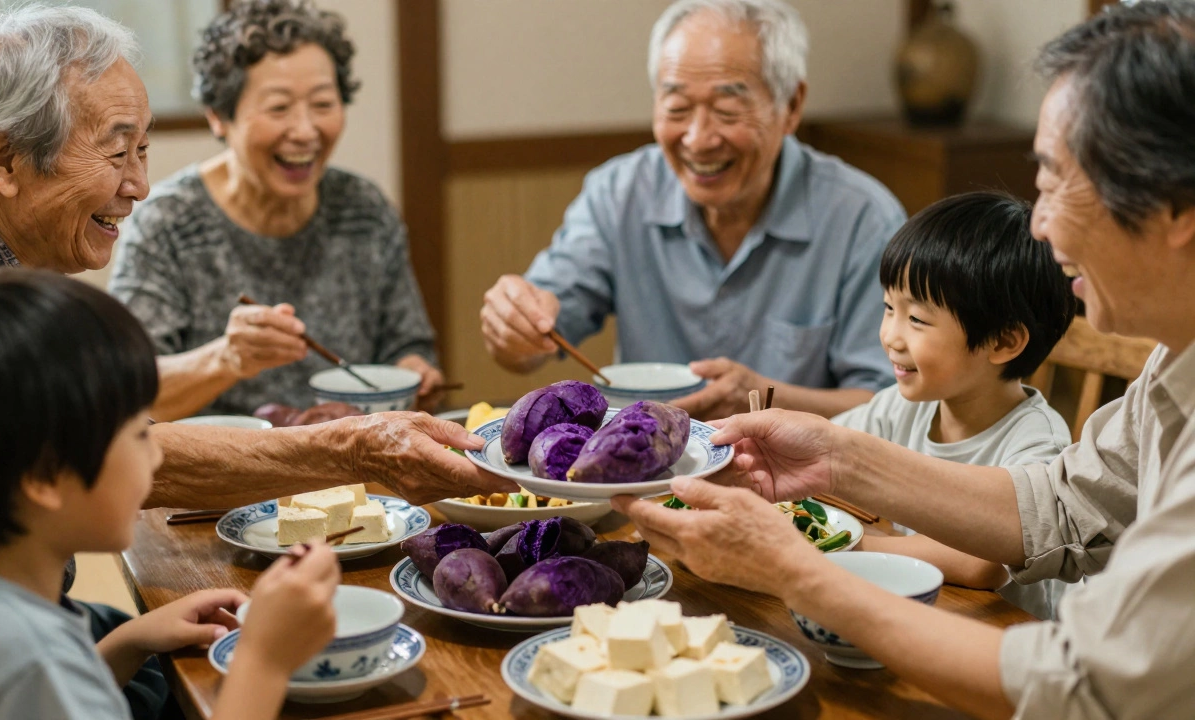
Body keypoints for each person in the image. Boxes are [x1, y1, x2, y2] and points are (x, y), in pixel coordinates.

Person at [615, 2, 1195, 717]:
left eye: (1053, 183)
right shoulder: (1178, 365)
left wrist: (797, 571)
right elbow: (1065, 504)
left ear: (1176, 207)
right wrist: (835, 457)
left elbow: (1083, 684)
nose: (1039, 224)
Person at [0, 5, 511, 532]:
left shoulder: (363, 207)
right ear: (4, 159)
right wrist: (356, 447)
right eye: (119, 152)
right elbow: (107, 444)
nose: (140, 185)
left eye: (143, 150)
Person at [0, 270, 341, 720]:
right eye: (141, 434)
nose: (156, 459)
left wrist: (129, 641)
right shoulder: (28, 662)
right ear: (43, 477)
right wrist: (265, 659)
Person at [480, 0, 903, 421]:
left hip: (796, 482)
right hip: (644, 475)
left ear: (790, 106)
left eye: (727, 110)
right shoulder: (619, 194)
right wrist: (514, 327)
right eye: (677, 109)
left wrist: (763, 400)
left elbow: (891, 407)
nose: (699, 140)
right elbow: (533, 345)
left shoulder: (862, 220)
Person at [109, 0, 443, 420]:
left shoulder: (363, 211)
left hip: (353, 474)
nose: (305, 131)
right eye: (279, 108)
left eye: (323, 104)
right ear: (218, 116)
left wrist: (413, 371)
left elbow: (407, 346)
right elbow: (123, 390)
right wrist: (226, 358)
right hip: (225, 477)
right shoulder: (170, 223)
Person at [828, 191, 1075, 620]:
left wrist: (846, 543)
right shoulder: (901, 407)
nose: (890, 336)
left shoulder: (1039, 444)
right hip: (932, 615)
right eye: (889, 308)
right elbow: (828, 455)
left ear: (1002, 341)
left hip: (1007, 640)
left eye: (917, 319)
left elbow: (982, 563)